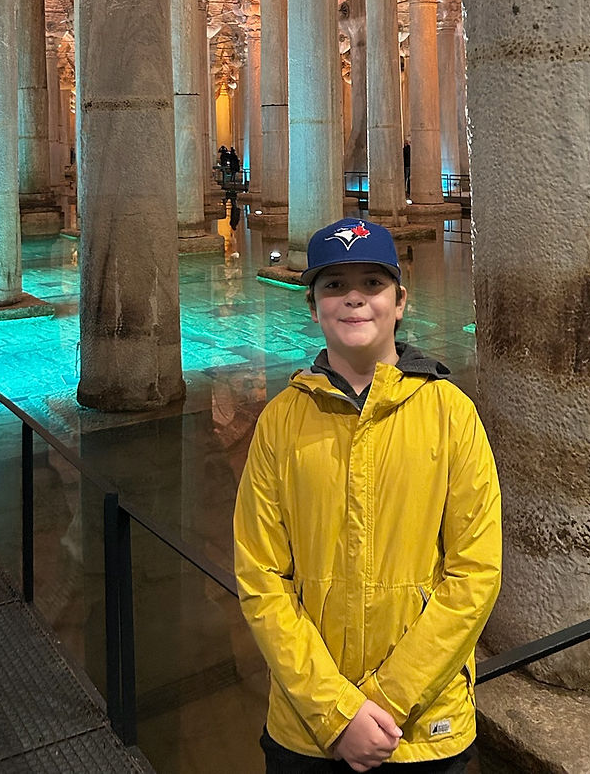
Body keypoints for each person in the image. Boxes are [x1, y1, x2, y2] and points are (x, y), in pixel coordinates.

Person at [234, 217, 501, 772]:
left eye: (372, 284)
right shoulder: (281, 421)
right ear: (312, 305)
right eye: (334, 285)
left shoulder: (451, 414)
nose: (354, 299)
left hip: (424, 729)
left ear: (400, 301)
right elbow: (261, 578)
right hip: (307, 731)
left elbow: (475, 574)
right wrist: (336, 714)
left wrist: (384, 703)